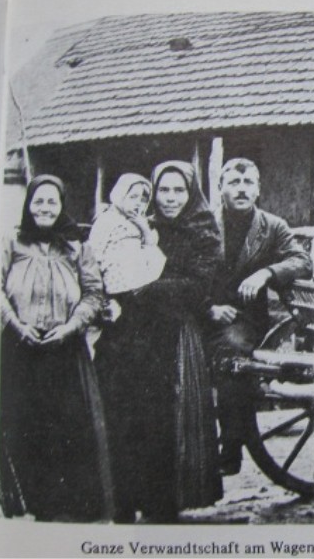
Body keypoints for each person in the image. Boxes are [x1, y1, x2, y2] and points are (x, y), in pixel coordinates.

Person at [95, 161, 222, 523]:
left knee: (162, 418)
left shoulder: (204, 232)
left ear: (191, 194)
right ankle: (123, 500)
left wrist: (144, 290)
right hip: (131, 328)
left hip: (174, 331)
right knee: (122, 411)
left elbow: (198, 285)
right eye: (163, 190)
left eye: (179, 190)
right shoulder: (140, 224)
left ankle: (162, 501)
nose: (170, 198)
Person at [0, 175, 113, 522]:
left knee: (68, 427)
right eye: (38, 201)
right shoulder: (11, 242)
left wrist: (70, 327)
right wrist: (18, 327)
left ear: (62, 206)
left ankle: (70, 506)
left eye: (52, 201)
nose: (45, 208)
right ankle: (33, 504)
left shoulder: (77, 247)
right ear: (28, 205)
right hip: (20, 348)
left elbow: (94, 294)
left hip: (65, 348)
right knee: (24, 424)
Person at [205, 158, 312, 476]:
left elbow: (302, 261)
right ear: (220, 188)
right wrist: (208, 307)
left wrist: (267, 273)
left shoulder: (272, 226)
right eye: (233, 183)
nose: (241, 189)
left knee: (232, 356)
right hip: (202, 311)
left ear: (258, 190)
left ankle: (230, 448)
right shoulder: (205, 224)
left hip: (244, 320)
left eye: (248, 183)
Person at [87, 173, 166, 313]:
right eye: (133, 197)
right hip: (116, 286)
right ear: (120, 195)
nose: (138, 203)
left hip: (140, 284)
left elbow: (151, 249)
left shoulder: (142, 222)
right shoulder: (106, 220)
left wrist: (144, 228)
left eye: (143, 200)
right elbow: (94, 254)